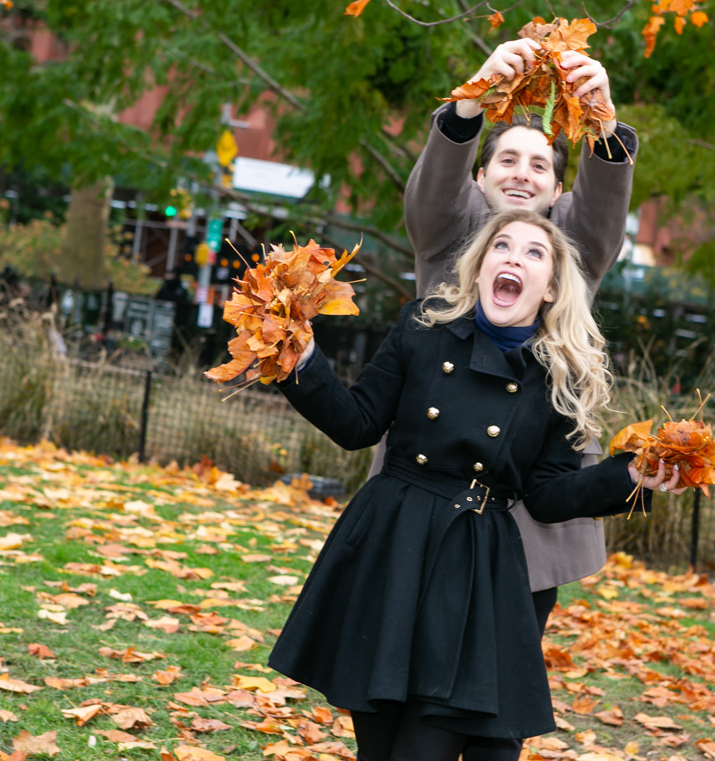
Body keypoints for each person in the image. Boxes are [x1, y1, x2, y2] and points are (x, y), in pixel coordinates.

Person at [268, 210, 680, 760]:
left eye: (534, 253)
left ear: (551, 288)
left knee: (429, 744)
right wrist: (302, 358)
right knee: (378, 747)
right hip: (392, 541)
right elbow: (357, 424)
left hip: (473, 561)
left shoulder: (561, 375)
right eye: (501, 246)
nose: (513, 258)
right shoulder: (422, 327)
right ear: (480, 266)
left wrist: (628, 477)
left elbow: (547, 496)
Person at [401, 39, 640, 643]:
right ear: (479, 177)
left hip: (528, 507)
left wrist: (601, 119)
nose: (521, 173)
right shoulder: (450, 232)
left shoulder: (572, 248)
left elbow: (603, 208)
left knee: (501, 666)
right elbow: (434, 190)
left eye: (539, 165)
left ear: (559, 192)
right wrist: (474, 99)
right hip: (428, 483)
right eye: (507, 159)